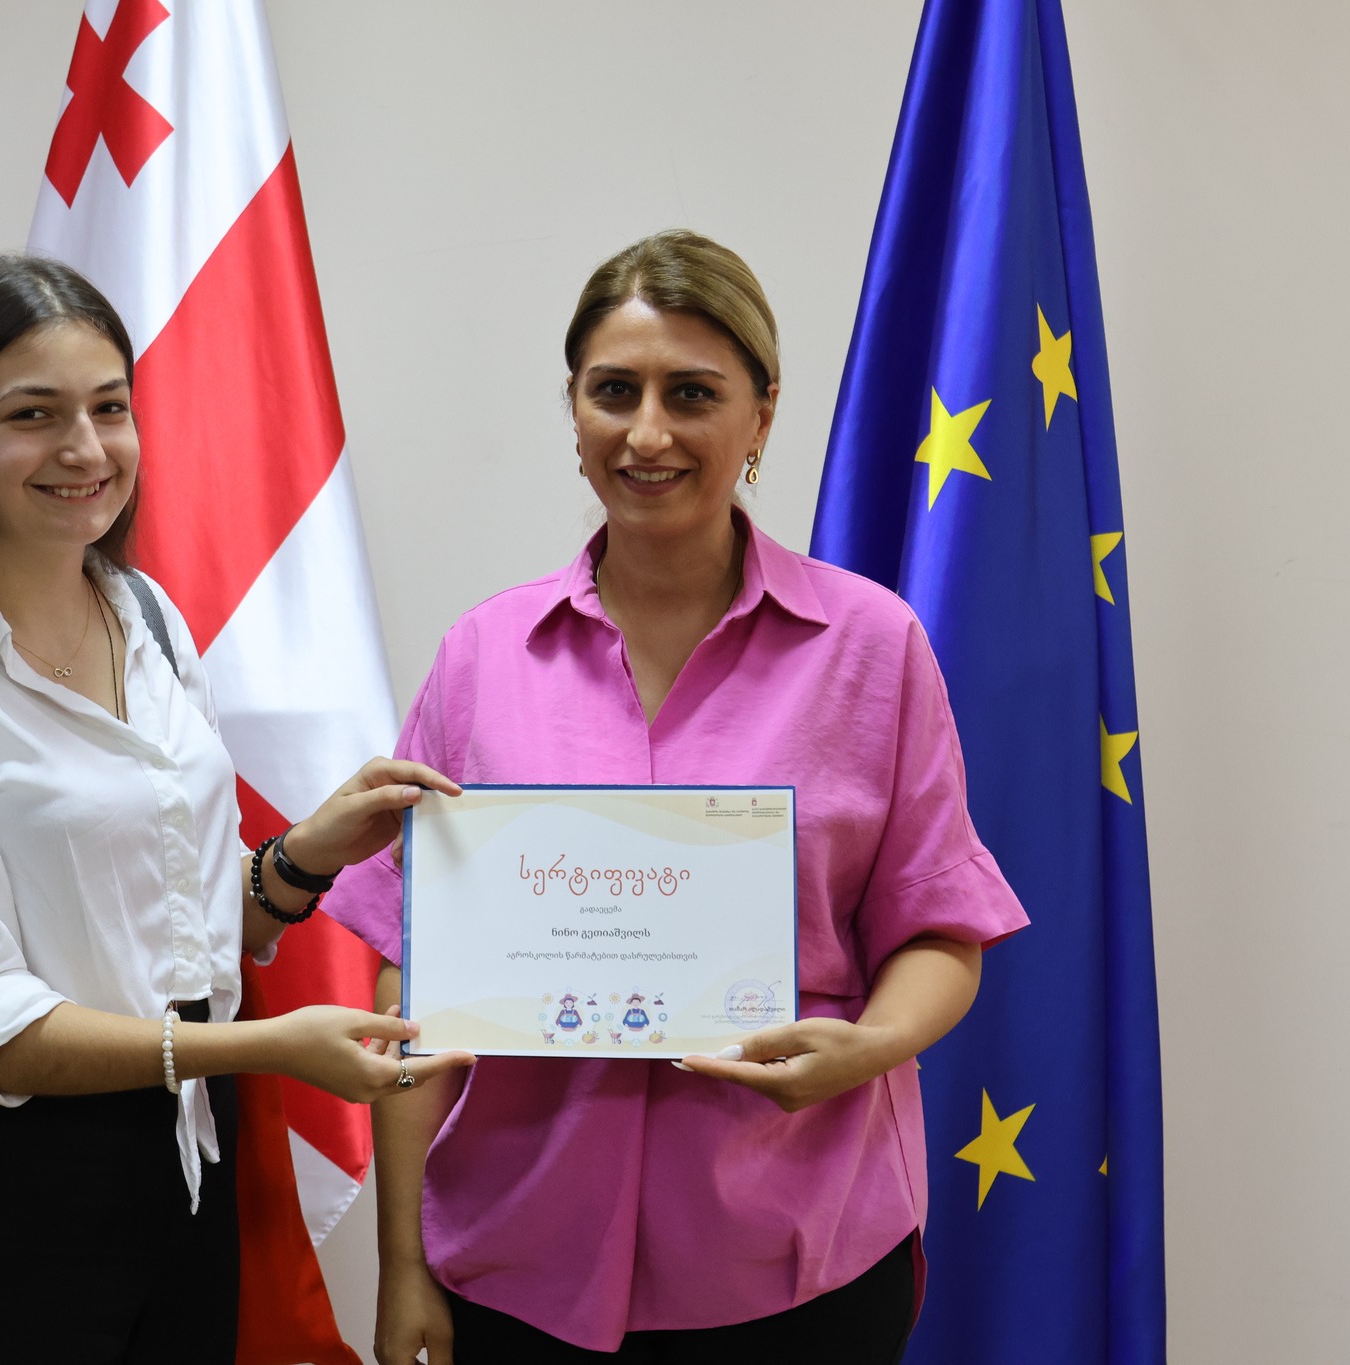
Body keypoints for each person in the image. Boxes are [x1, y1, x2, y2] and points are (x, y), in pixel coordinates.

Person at [0, 254, 470, 1363]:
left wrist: (306, 856)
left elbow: (174, 923)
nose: (85, 449)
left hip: (184, 1172)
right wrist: (268, 1046)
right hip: (8, 1203)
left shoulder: (149, 619)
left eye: (110, 408)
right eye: (33, 415)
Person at [331, 230, 1030, 1364]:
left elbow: (941, 930)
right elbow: (415, 979)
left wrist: (868, 1047)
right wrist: (403, 1260)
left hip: (797, 1260)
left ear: (761, 417)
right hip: (517, 1263)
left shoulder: (872, 647)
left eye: (691, 394)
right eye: (614, 391)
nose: (646, 432)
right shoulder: (481, 657)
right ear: (573, 412)